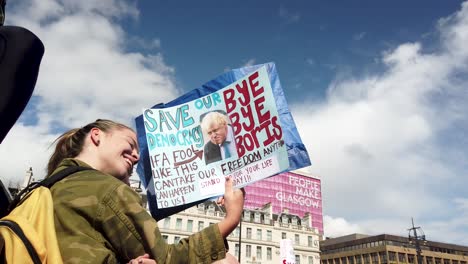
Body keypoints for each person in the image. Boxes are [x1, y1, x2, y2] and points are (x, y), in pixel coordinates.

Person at [47, 119, 245, 263]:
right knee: (226, 261)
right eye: (131, 145)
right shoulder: (107, 190)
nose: (136, 156)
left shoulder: (53, 184)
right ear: (96, 135)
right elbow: (167, 259)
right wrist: (231, 219)